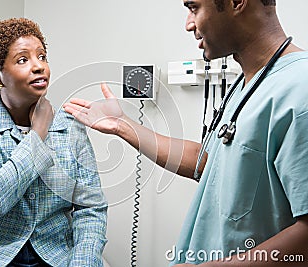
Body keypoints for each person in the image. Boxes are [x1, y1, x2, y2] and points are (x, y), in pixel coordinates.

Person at [63, 0, 308, 266]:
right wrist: (124, 125)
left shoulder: (299, 90)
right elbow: (208, 163)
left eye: (194, 8)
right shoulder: (250, 82)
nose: (189, 24)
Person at [0, 18, 107, 267]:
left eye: (42, 56)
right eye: (23, 60)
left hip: (57, 258)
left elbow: (91, 208)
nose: (39, 67)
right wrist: (38, 133)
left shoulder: (70, 125)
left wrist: (83, 263)